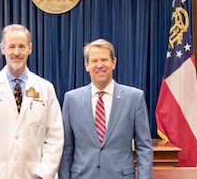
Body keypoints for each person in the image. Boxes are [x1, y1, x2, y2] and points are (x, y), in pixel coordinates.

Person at [0, 24, 64, 179]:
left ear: (29, 49)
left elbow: (55, 136)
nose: (16, 52)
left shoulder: (46, 88)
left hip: (36, 175)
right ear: (2, 48)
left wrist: (43, 174)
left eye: (21, 46)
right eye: (11, 47)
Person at [58, 39, 153, 179]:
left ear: (113, 63)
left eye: (104, 60)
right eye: (94, 61)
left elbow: (144, 147)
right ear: (86, 65)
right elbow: (66, 149)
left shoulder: (134, 98)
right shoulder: (71, 99)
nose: (99, 65)